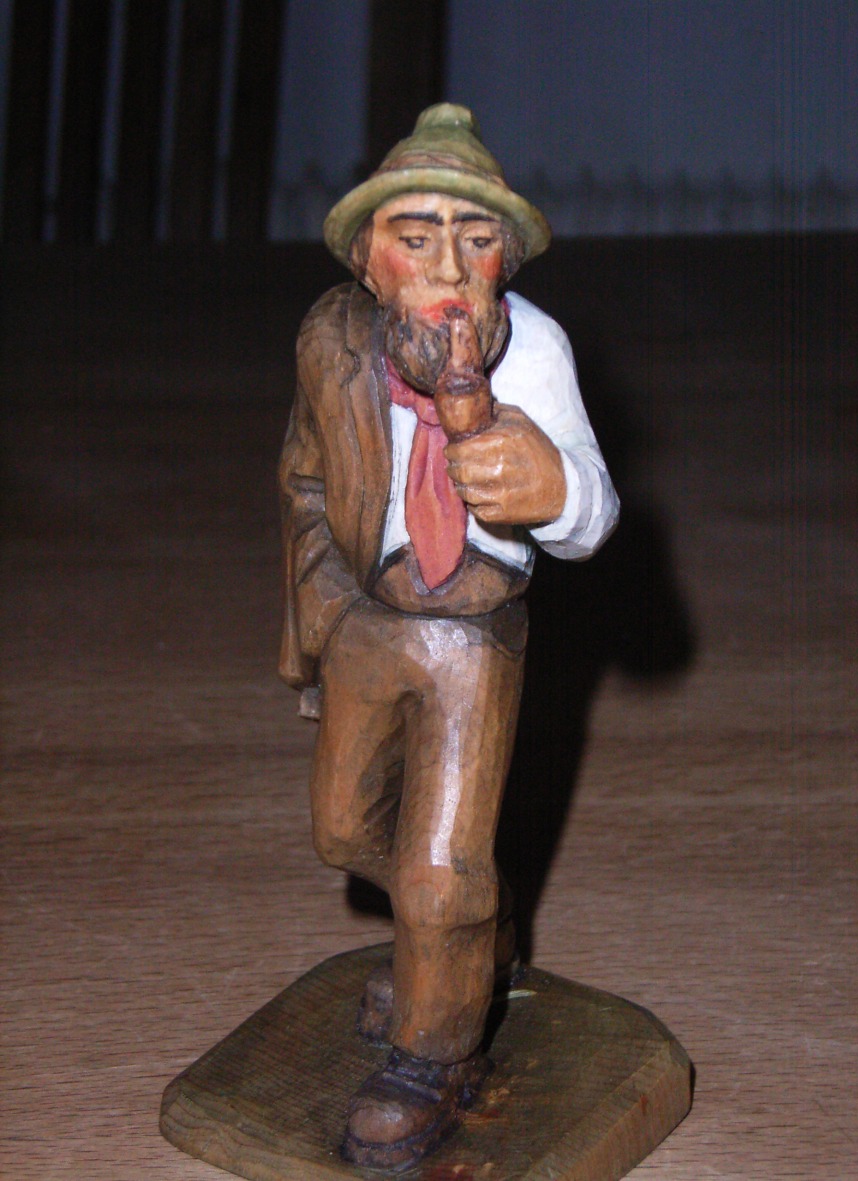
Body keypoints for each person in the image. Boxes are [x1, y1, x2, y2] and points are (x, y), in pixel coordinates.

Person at [278, 103, 619, 1170]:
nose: (446, 271)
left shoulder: (536, 352)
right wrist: (314, 622)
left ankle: (432, 1054)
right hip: (369, 616)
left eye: (476, 243)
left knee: (435, 869)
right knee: (346, 832)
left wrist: (552, 486)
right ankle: (469, 935)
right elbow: (303, 477)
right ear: (366, 261)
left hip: (474, 637)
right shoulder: (331, 342)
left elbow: (595, 513)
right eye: (415, 239)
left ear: (505, 256)